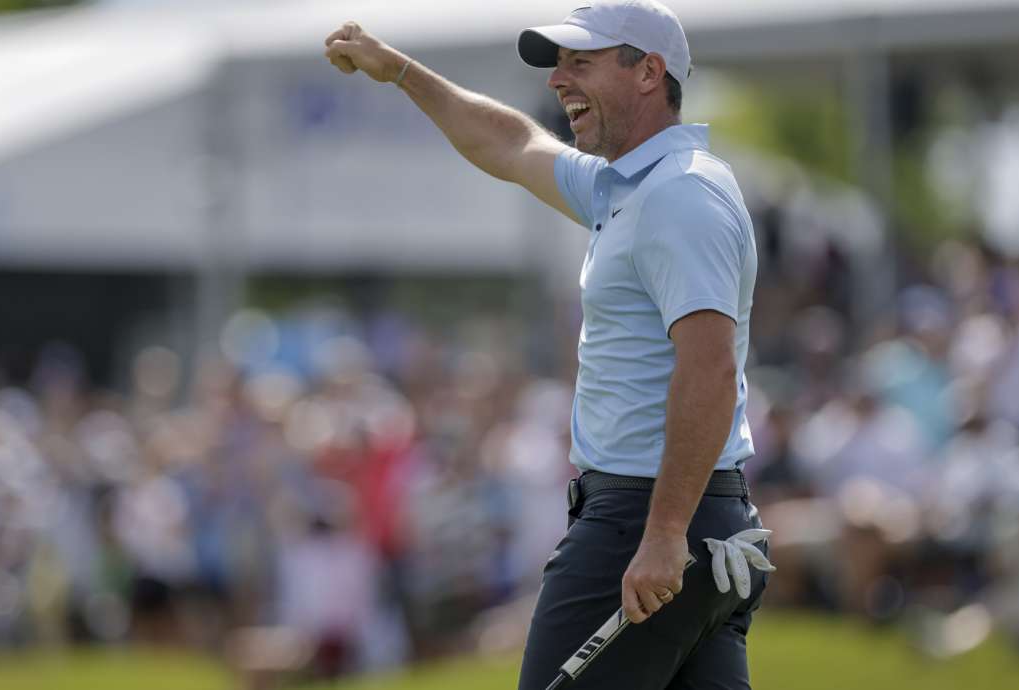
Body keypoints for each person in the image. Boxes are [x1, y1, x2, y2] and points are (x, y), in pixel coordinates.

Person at [324, 2, 773, 688]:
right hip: (687, 519)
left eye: (581, 63)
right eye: (560, 64)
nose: (559, 80)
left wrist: (662, 532)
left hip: (645, 520)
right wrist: (403, 73)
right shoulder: (628, 187)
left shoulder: (679, 195)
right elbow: (509, 144)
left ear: (649, 73)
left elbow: (708, 368)